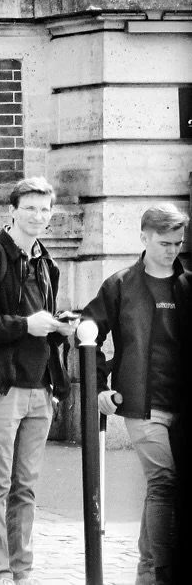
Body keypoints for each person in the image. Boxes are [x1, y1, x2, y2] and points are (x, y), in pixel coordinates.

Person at [0, 176, 75, 585]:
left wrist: (57, 326)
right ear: (12, 211)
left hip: (40, 389)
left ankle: (23, 572)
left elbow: (39, 323)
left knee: (26, 488)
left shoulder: (46, 262)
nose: (38, 216)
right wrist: (25, 325)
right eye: (30, 208)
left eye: (45, 209)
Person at [82, 204, 188, 585]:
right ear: (143, 237)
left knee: (164, 487)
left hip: (181, 407)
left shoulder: (187, 285)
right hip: (142, 406)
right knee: (164, 482)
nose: (172, 250)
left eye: (178, 243)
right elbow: (87, 334)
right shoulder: (121, 285)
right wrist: (99, 388)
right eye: (164, 243)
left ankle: (146, 570)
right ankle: (163, 572)